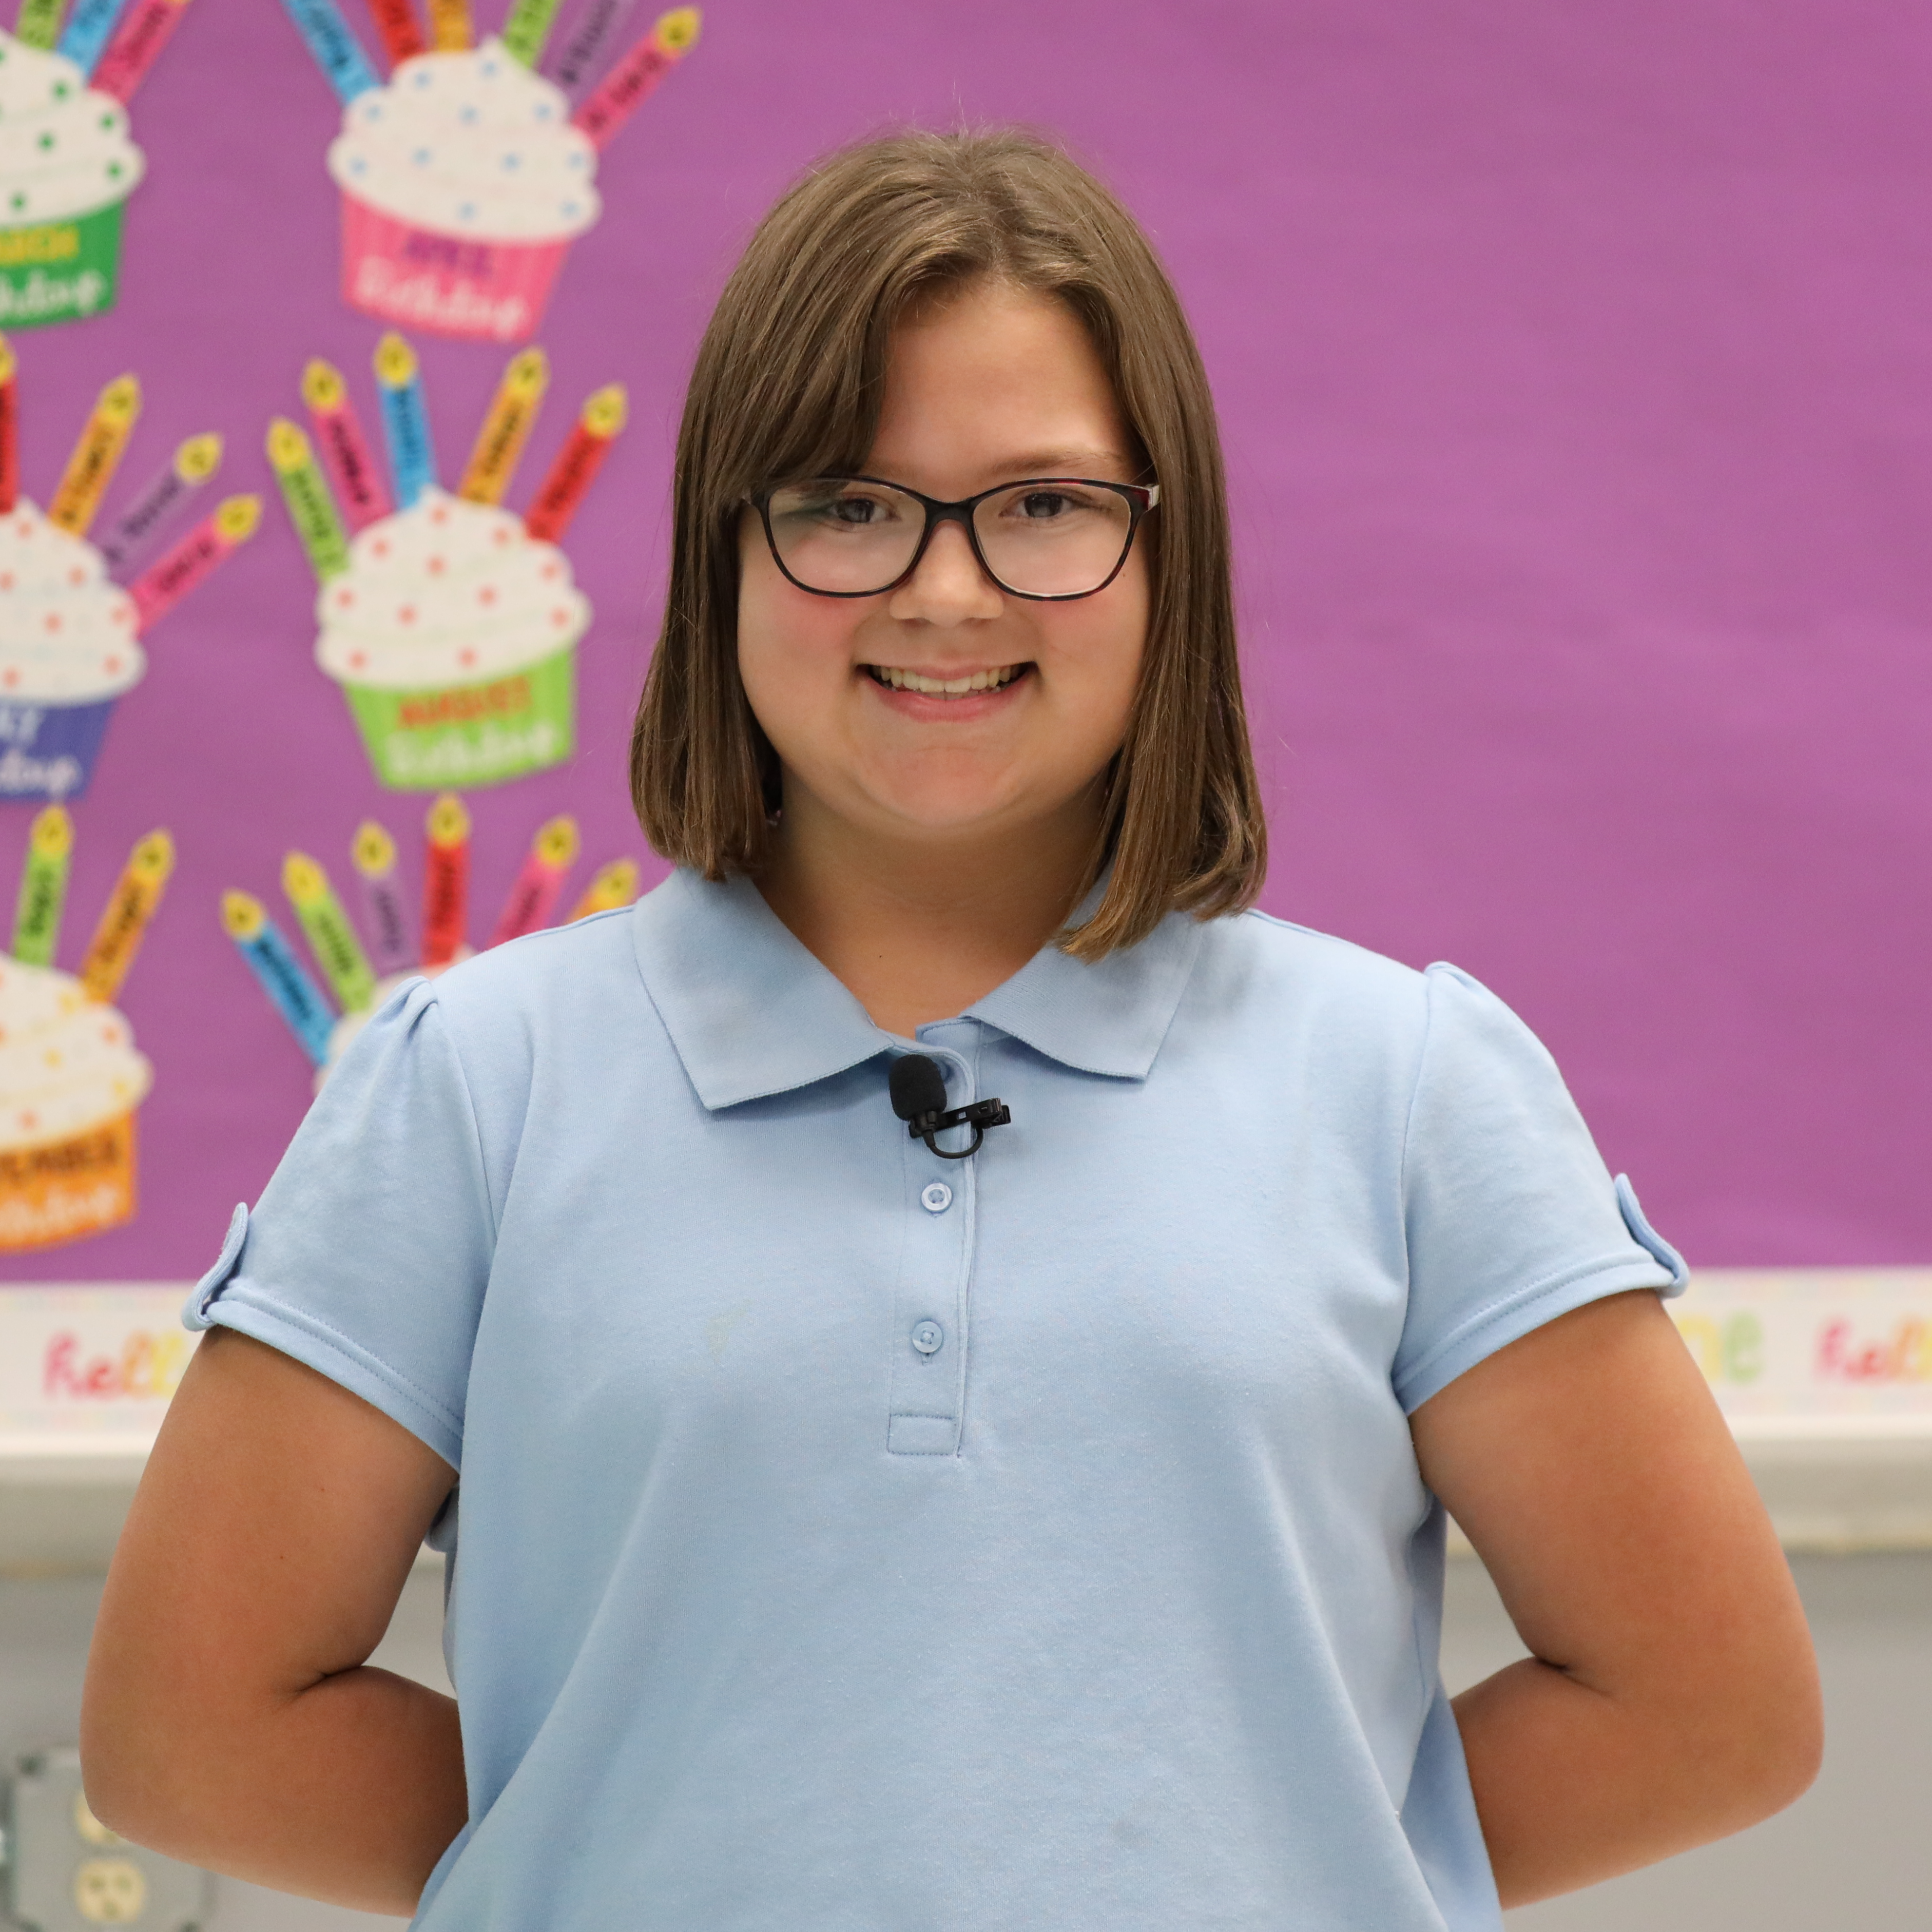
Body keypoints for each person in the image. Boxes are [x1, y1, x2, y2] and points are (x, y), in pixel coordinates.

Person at [82, 130, 1819, 1929]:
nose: (943, 589)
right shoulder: (473, 1082)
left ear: (1171, 554)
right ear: (722, 549)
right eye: (845, 502)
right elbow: (197, 1733)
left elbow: (1702, 1709)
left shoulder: (1403, 1088)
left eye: (1045, 505)